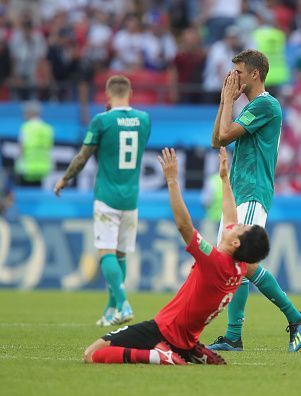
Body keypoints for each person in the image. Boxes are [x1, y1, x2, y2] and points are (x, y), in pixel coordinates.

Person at [83, 147, 269, 365]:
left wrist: (172, 181)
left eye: (241, 227)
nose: (236, 224)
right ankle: (190, 350)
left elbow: (184, 225)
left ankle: (157, 355)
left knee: (92, 354)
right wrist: (224, 179)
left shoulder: (215, 262)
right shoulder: (238, 268)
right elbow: (230, 215)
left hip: (165, 330)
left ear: (236, 242)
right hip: (185, 337)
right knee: (177, 340)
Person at [209, 49, 301, 352]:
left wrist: (228, 101)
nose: (232, 78)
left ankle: (293, 318)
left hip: (253, 192)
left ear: (255, 74)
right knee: (232, 263)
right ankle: (236, 335)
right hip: (239, 192)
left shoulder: (266, 105)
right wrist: (224, 102)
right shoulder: (251, 108)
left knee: (242, 262)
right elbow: (217, 139)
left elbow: (225, 136)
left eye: (237, 72)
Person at [54, 75, 151, 327]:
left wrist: (64, 179)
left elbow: (83, 157)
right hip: (131, 197)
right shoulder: (144, 119)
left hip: (107, 196)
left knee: (105, 252)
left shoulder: (101, 121)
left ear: (107, 95)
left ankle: (123, 303)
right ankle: (112, 309)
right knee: (120, 254)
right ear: (130, 92)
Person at [16, 101, 54, 186]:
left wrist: (17, 163)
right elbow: (50, 147)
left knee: (26, 195)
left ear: (30, 113)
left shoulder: (26, 127)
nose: (23, 115)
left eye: (24, 113)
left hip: (27, 168)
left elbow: (21, 147)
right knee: (37, 194)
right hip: (43, 167)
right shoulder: (47, 128)